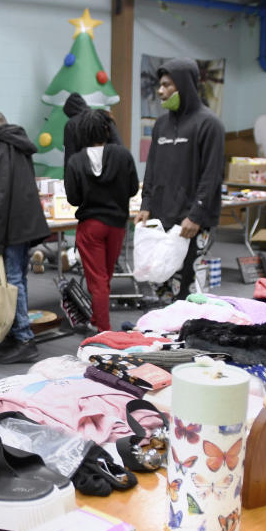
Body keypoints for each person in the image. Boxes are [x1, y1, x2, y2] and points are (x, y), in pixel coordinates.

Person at [134, 58, 224, 298]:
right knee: (160, 283)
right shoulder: (161, 124)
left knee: (187, 287)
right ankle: (164, 333)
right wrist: (146, 203)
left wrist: (196, 215)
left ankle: (188, 331)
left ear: (184, 85)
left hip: (193, 222)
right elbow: (151, 166)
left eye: (166, 85)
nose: (160, 91)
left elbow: (212, 174)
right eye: (159, 85)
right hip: (163, 217)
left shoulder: (209, 124)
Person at [0, 111, 50, 364]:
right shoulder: (19, 143)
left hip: (10, 225)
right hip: (25, 224)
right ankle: (18, 334)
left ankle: (24, 339)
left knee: (12, 280)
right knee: (18, 280)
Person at [64, 109, 139, 332]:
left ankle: (104, 332)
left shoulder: (76, 161)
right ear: (108, 129)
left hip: (91, 227)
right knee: (105, 278)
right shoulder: (122, 154)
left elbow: (73, 199)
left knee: (97, 280)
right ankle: (98, 320)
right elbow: (133, 189)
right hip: (117, 224)